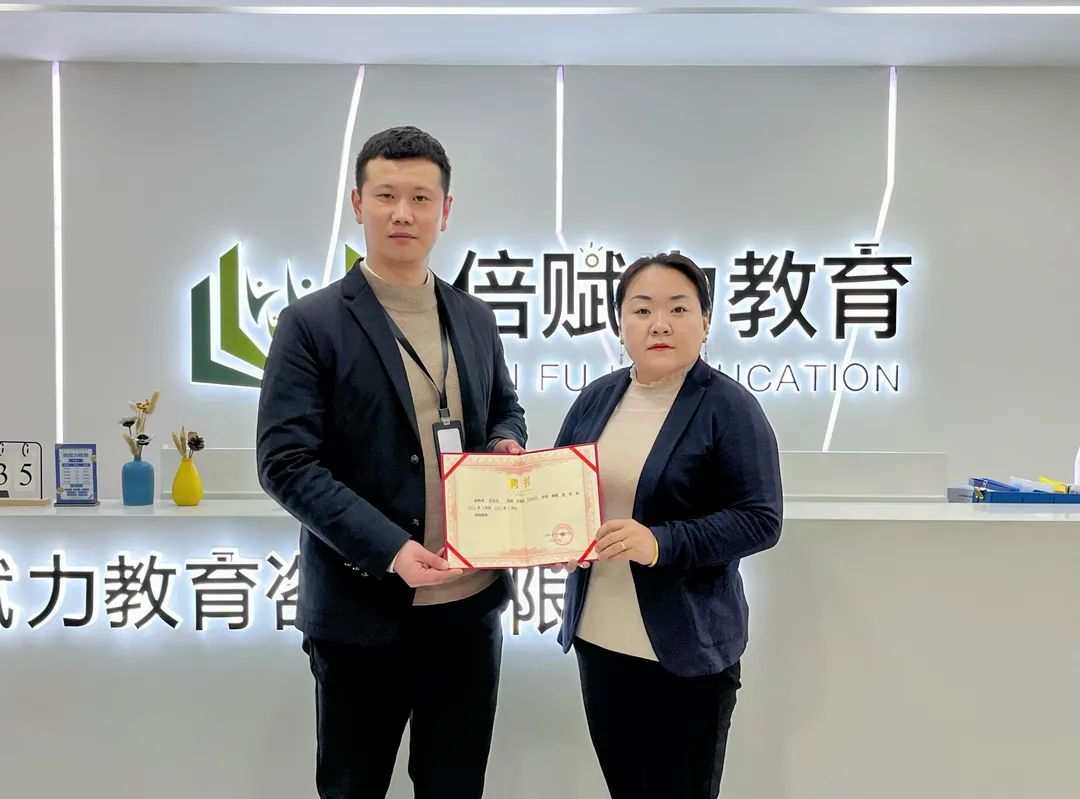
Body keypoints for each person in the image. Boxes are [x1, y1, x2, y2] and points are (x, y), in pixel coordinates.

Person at [256, 125, 526, 799]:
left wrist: (506, 445)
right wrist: (391, 549)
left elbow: (506, 409)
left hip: (468, 610)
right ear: (357, 203)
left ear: (445, 210)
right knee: (353, 786)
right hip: (361, 612)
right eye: (385, 195)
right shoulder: (312, 323)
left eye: (420, 198)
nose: (403, 212)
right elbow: (285, 462)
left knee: (455, 785)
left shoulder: (475, 317)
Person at [554, 251, 782, 799]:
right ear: (620, 324)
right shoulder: (597, 398)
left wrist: (659, 542)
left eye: (678, 308)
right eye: (642, 310)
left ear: (705, 321)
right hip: (599, 639)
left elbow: (760, 519)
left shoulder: (729, 406)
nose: (659, 324)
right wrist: (552, 535)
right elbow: (560, 487)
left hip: (687, 650)